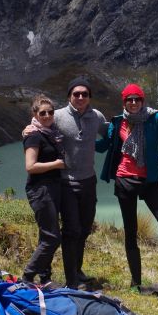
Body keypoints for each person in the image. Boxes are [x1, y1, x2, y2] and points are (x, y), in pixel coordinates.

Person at [97, 84, 158, 289]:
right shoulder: (117, 123)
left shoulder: (155, 119)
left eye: (137, 99)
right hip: (124, 180)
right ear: (124, 102)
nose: (133, 103)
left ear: (143, 101)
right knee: (131, 232)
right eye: (129, 99)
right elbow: (103, 146)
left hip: (149, 180)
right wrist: (78, 138)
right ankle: (136, 283)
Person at [53, 76, 107, 289]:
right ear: (69, 96)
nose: (81, 97)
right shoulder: (57, 116)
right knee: (71, 230)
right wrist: (27, 130)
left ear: (89, 97)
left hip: (88, 180)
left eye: (85, 94)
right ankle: (71, 280)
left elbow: (111, 134)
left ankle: (77, 269)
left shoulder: (97, 116)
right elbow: (38, 126)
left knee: (84, 228)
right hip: (66, 182)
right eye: (76, 93)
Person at [21, 95, 66, 285]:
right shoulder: (34, 135)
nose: (47, 115)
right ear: (35, 114)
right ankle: (28, 275)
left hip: (52, 189)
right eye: (42, 113)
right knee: (52, 237)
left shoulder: (51, 133)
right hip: (40, 190)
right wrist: (56, 164)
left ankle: (45, 278)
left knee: (45, 234)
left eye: (50, 112)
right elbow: (30, 166)